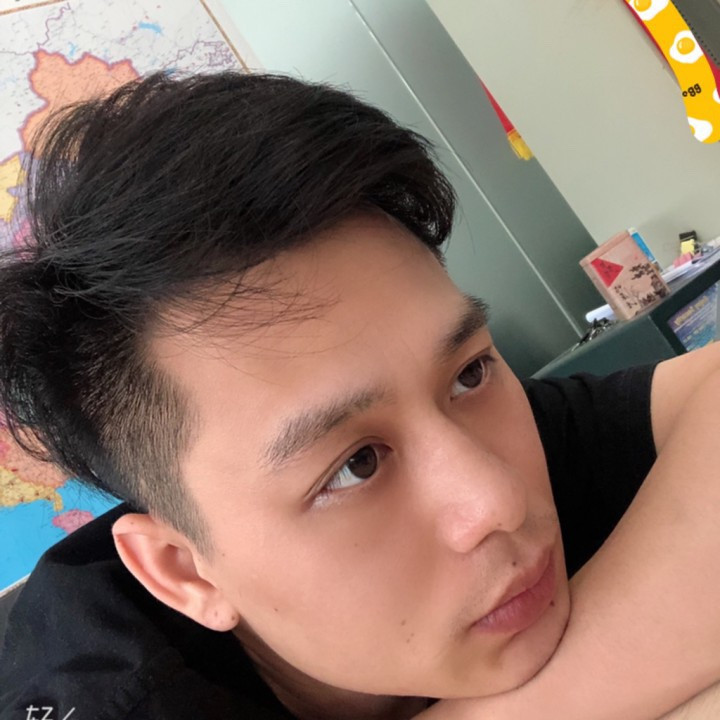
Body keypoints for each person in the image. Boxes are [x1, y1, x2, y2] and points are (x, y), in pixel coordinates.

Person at [0, 71, 719, 720]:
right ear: (186, 574)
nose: (497, 500)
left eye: (468, 372)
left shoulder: (467, 433)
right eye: (357, 466)